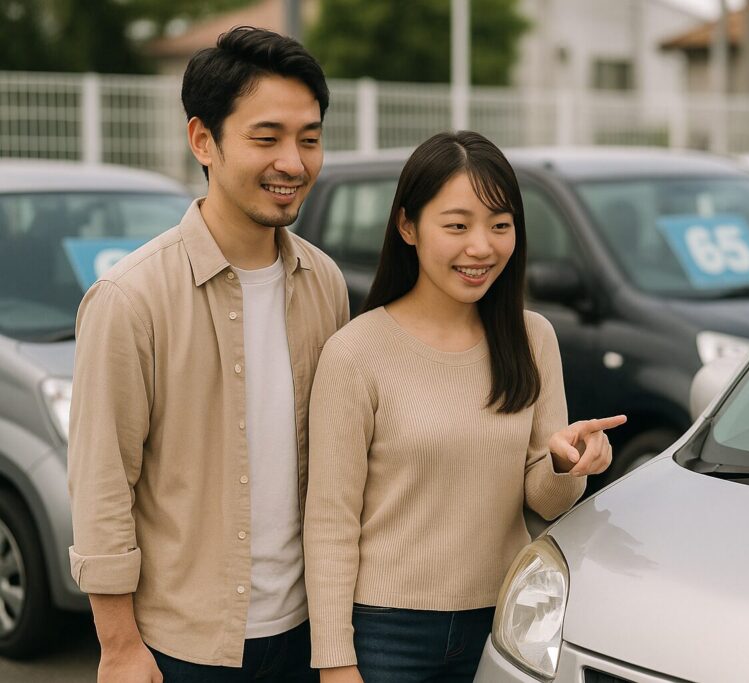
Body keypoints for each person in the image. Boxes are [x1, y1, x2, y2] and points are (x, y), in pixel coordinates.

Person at [66, 26, 348, 682]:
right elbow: (103, 483)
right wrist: (119, 646)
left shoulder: (325, 282)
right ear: (203, 140)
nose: (294, 161)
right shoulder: (131, 297)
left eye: (309, 138)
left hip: (308, 634)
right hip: (184, 648)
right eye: (267, 136)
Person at [304, 131, 626, 683]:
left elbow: (546, 503)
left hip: (507, 622)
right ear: (407, 226)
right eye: (457, 226)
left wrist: (565, 464)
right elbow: (330, 523)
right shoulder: (355, 352)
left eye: (500, 226)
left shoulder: (532, 337)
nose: (482, 247)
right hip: (385, 633)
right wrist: (335, 660)